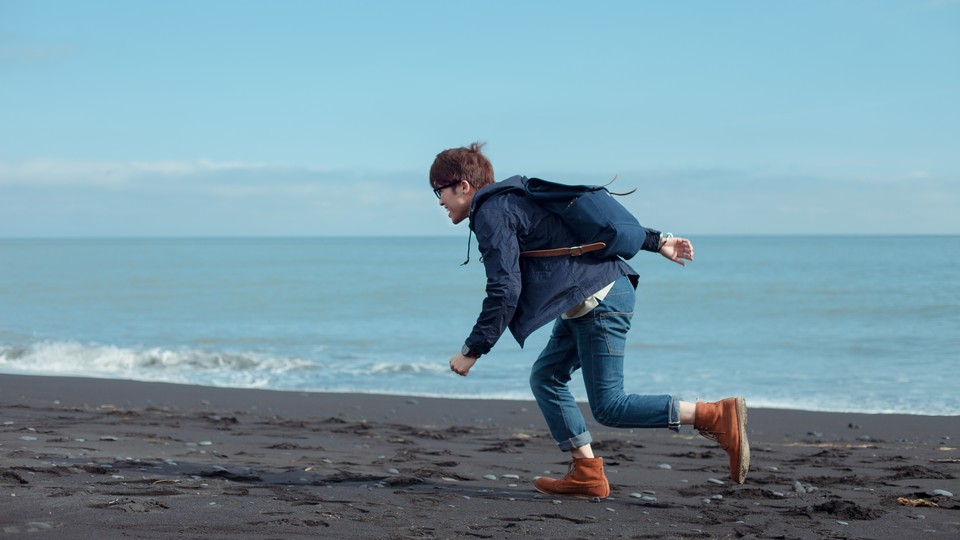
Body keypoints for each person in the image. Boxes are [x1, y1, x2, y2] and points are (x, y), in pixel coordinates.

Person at [429, 142, 748, 498]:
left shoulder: (491, 212)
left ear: (462, 186)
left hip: (600, 298)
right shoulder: (512, 198)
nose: (438, 200)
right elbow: (582, 228)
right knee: (546, 377)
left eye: (438, 190)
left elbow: (504, 289)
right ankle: (587, 473)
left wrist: (473, 349)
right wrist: (659, 242)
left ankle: (714, 415)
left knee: (610, 405)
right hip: (591, 295)